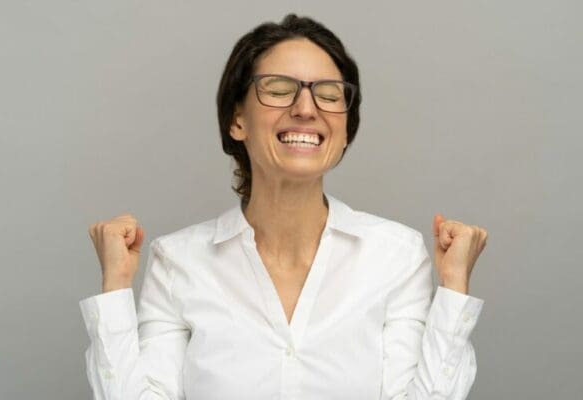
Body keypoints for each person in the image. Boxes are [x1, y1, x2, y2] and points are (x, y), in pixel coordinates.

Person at [80, 14, 488, 400]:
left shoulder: (396, 256)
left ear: (345, 130)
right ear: (237, 119)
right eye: (278, 90)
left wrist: (453, 291)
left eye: (328, 95)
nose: (306, 109)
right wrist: (116, 286)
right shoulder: (178, 261)